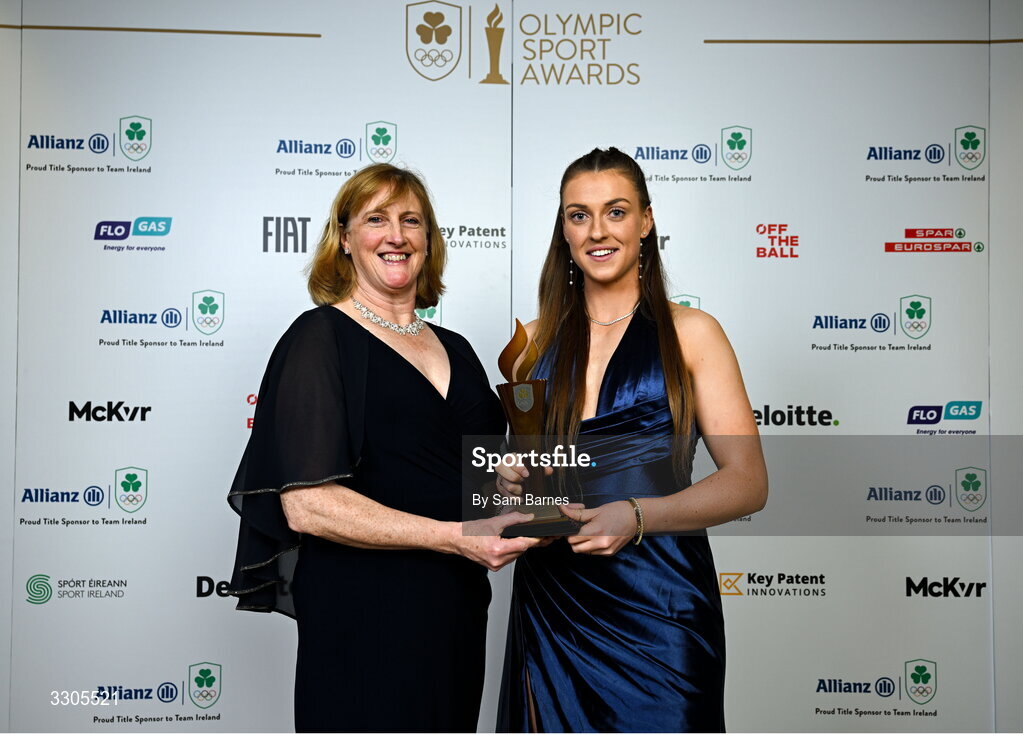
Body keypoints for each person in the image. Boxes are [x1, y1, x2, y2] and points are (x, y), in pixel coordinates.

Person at [226, 163, 540, 733]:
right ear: (344, 238)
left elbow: (479, 485)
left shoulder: (460, 350)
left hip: (455, 612)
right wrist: (453, 537)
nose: (396, 235)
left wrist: (511, 484)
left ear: (428, 241)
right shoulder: (318, 338)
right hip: (364, 613)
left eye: (411, 220)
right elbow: (307, 504)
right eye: (377, 219)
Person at [495, 147, 768, 732]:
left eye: (615, 211)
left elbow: (748, 482)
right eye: (578, 215)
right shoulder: (531, 343)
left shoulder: (693, 334)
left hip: (660, 607)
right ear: (562, 229)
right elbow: (524, 488)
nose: (597, 231)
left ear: (645, 221)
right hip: (556, 606)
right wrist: (508, 483)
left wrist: (636, 514)